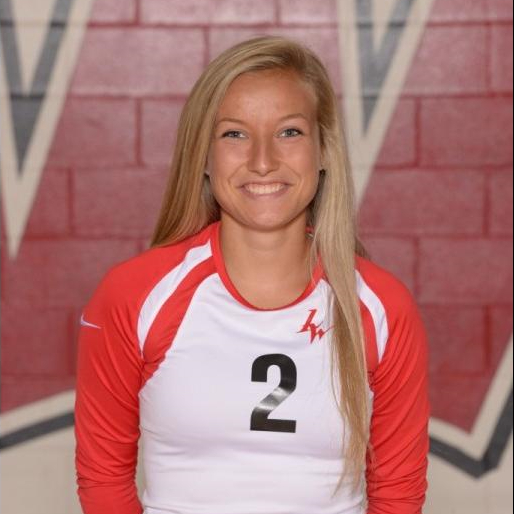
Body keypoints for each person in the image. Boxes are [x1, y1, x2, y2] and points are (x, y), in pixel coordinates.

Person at [74, 36, 430, 514]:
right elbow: (103, 480)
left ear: (324, 150)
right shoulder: (134, 296)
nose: (263, 161)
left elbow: (398, 495)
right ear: (202, 156)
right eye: (234, 135)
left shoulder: (381, 308)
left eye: (289, 132)